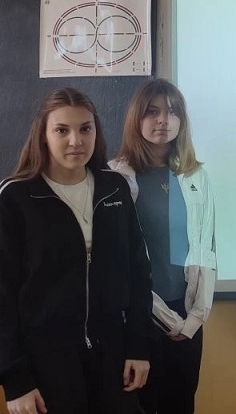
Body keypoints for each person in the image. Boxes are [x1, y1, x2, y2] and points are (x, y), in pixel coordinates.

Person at [0, 88, 152, 414]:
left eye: (85, 129)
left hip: (113, 358)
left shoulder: (115, 187)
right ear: (43, 134)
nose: (76, 141)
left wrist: (139, 347)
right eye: (62, 130)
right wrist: (15, 380)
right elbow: (2, 295)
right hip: (46, 364)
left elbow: (139, 272)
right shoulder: (16, 198)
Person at [109, 79, 216, 414]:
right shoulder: (116, 178)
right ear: (136, 118)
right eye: (152, 112)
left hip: (187, 317)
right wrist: (168, 321)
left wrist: (194, 318)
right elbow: (120, 263)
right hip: (139, 317)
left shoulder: (195, 176)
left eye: (171, 112)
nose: (163, 120)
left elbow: (206, 249)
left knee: (181, 404)